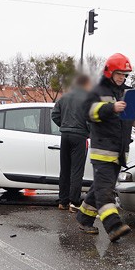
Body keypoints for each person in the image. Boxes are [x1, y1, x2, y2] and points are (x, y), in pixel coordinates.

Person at [76, 53, 135, 242]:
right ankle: (114, 226)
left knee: (99, 188)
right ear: (110, 72)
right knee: (105, 191)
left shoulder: (127, 92)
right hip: (103, 151)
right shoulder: (97, 90)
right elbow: (88, 112)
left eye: (125, 74)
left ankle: (84, 218)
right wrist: (110, 108)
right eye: (119, 73)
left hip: (119, 151)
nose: (122, 77)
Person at [51, 74, 92, 211]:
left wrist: (64, 125)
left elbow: (54, 115)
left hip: (65, 136)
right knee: (76, 171)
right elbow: (89, 119)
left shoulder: (65, 97)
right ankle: (74, 202)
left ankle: (63, 202)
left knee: (65, 170)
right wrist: (89, 132)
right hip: (79, 137)